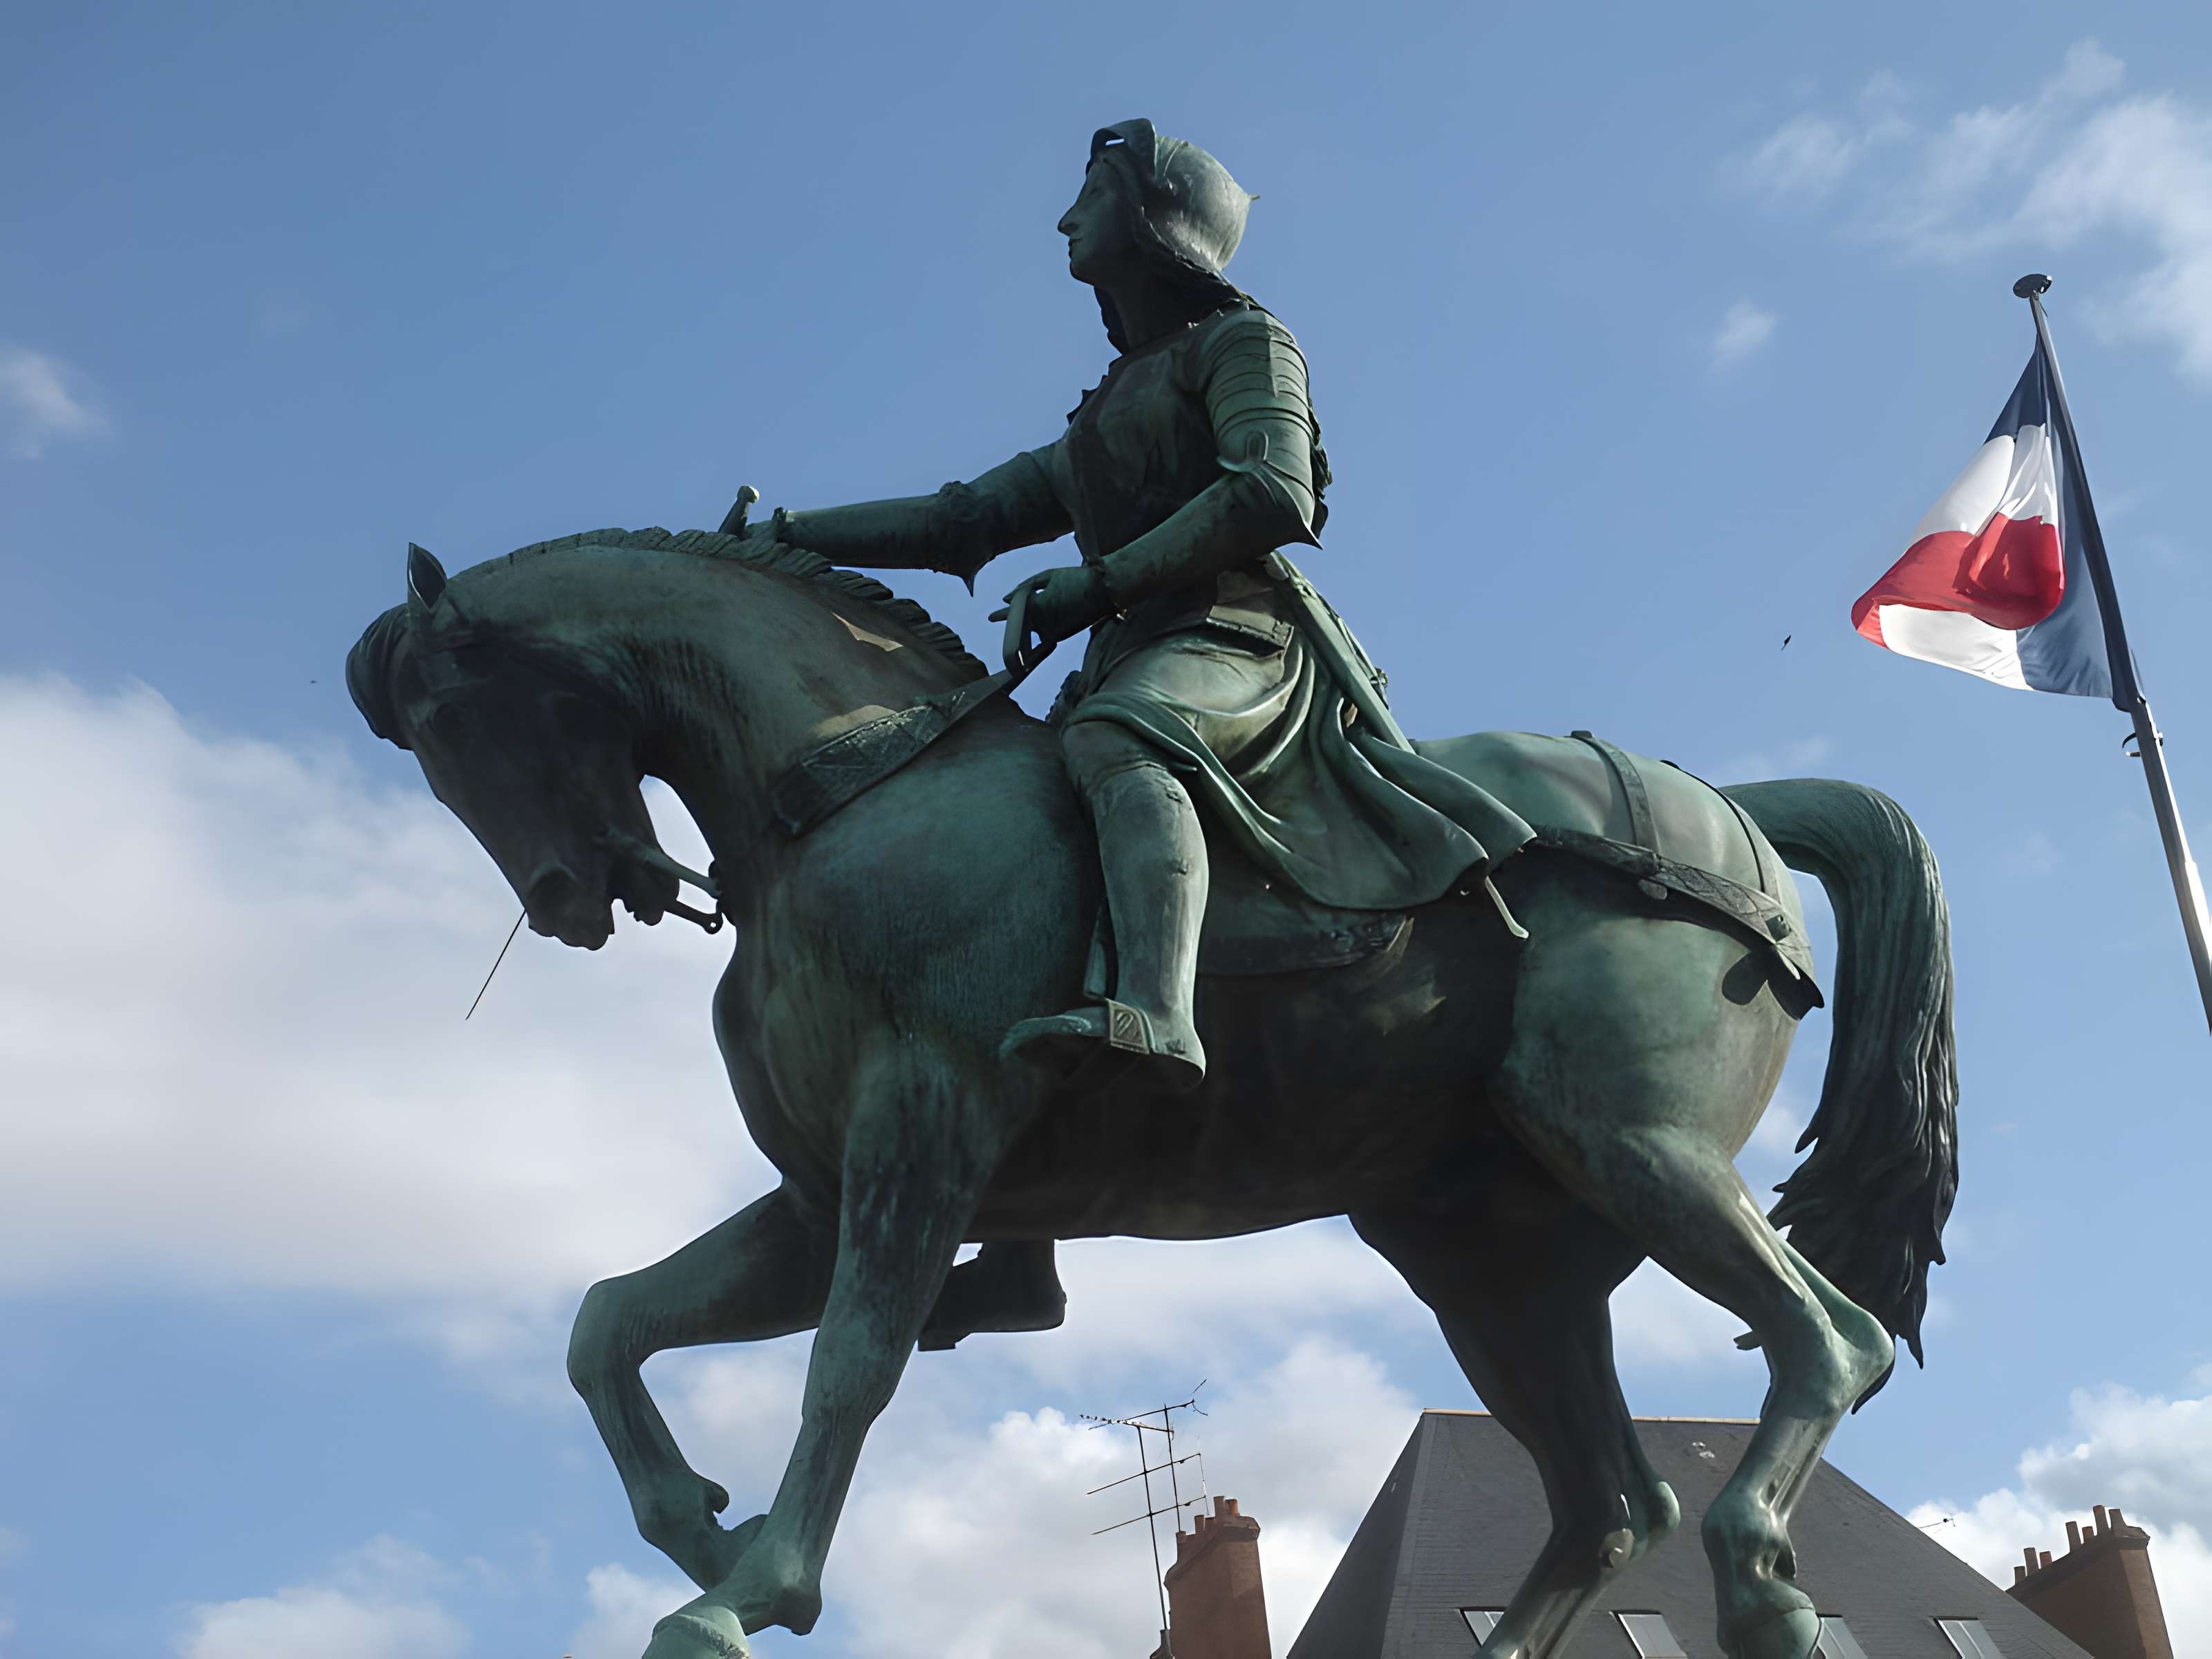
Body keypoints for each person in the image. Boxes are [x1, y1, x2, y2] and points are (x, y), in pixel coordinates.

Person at [731, 120, 1524, 1094]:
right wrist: (789, 536)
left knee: (1119, 744)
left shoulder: (1246, 344)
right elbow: (966, 518)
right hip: (1131, 649)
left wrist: (1097, 584)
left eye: (1094, 196)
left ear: (1158, 220)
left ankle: (1156, 1010)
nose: (1066, 218)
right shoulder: (1106, 406)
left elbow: (1276, 492)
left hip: (1236, 638)